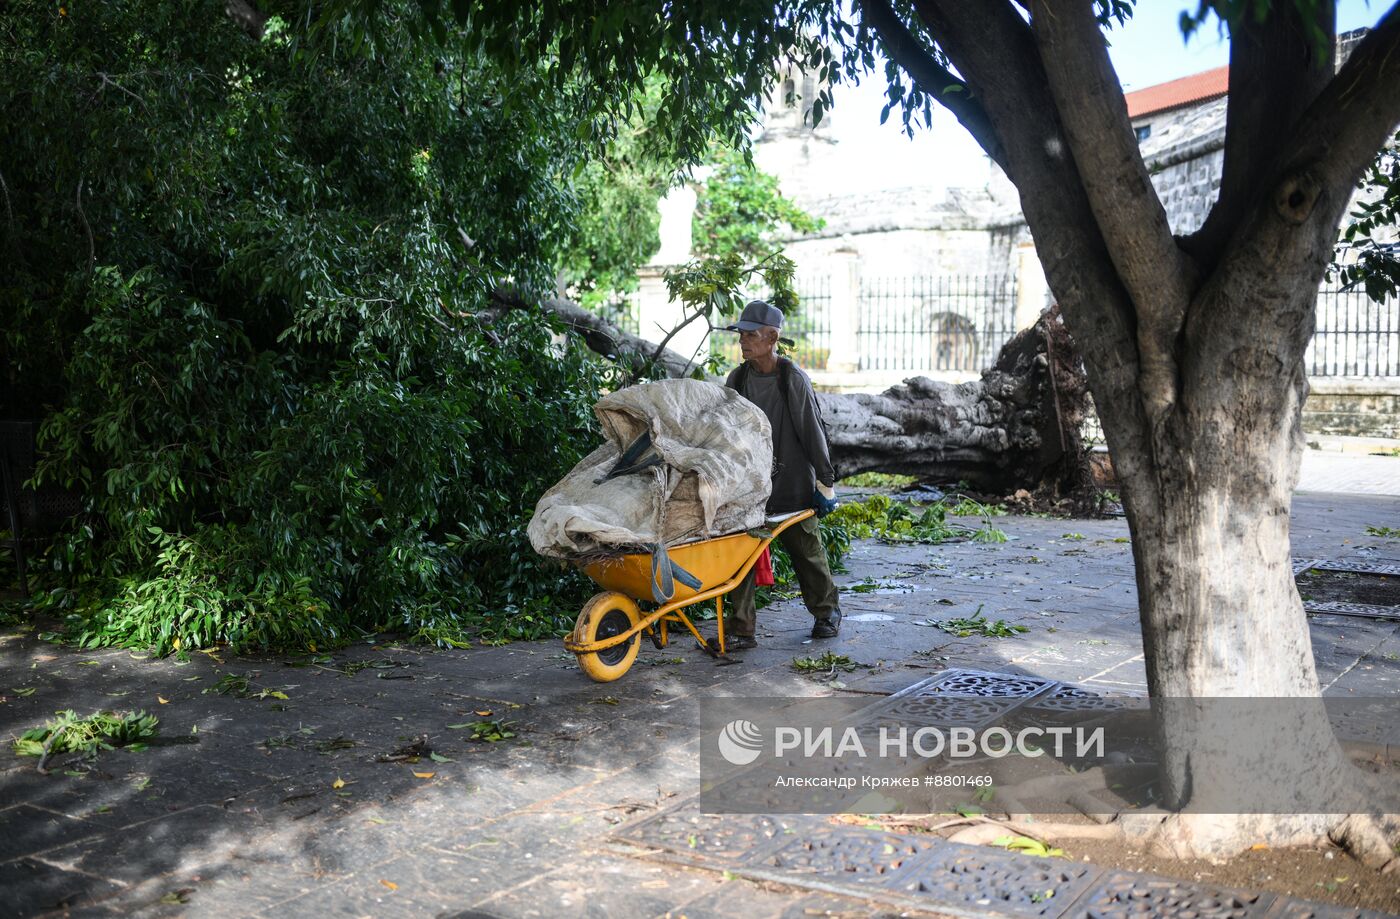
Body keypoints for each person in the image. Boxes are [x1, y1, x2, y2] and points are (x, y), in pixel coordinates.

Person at [718, 299, 842, 651]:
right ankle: (742, 629)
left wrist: (825, 482)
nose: (743, 341)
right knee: (740, 556)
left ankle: (827, 613)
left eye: (750, 334)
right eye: (740, 334)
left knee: (806, 552)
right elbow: (726, 432)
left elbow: (812, 431)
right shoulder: (737, 379)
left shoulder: (792, 379)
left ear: (772, 337)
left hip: (791, 485)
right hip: (750, 487)